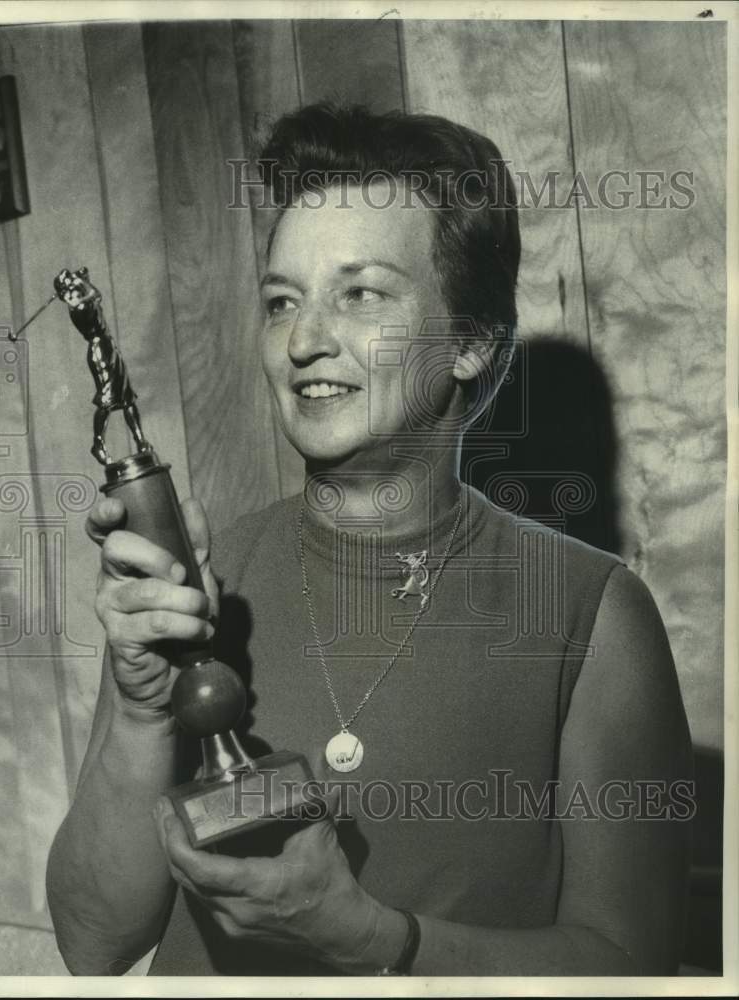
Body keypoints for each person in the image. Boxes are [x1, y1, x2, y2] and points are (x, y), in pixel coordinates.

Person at [46, 103, 693, 976]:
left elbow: (632, 966)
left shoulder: (594, 617)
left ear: (469, 343)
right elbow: (93, 942)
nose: (305, 341)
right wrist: (139, 707)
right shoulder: (205, 584)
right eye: (282, 301)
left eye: (360, 293)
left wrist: (378, 942)